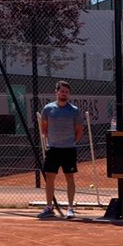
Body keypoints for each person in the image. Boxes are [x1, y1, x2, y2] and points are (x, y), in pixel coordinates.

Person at [38, 80, 86, 219]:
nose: (64, 94)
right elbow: (44, 129)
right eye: (62, 91)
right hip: (53, 149)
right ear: (56, 92)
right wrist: (53, 141)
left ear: (68, 94)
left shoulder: (74, 110)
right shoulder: (48, 109)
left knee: (69, 178)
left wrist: (70, 142)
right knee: (49, 177)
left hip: (69, 150)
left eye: (66, 92)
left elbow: (79, 131)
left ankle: (70, 208)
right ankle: (49, 207)